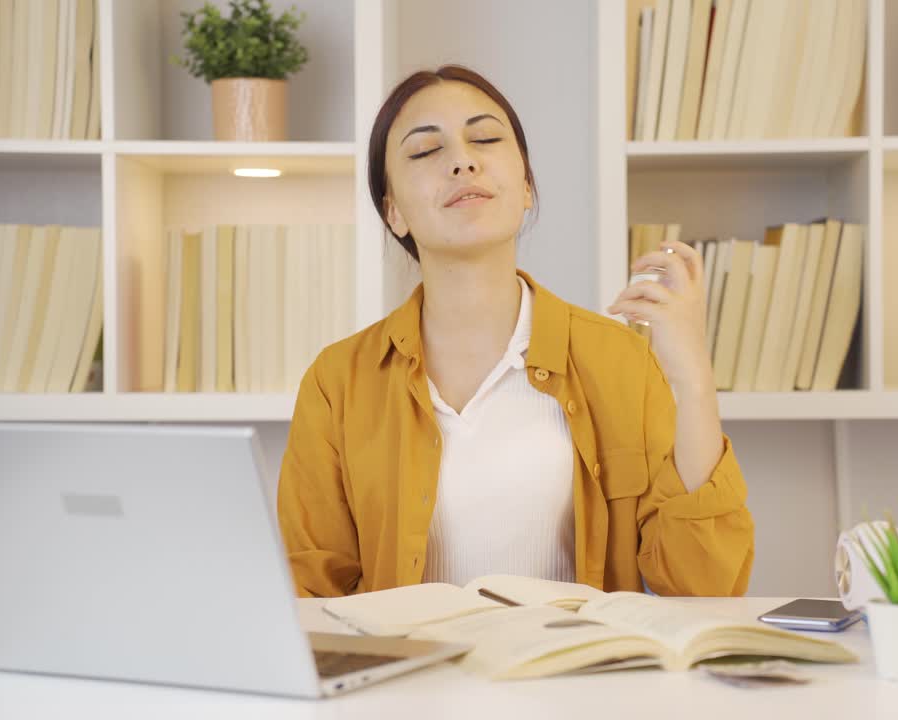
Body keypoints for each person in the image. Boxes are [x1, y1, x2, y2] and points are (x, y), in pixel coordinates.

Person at [278, 65, 753, 598]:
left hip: (575, 677)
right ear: (394, 213)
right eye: (424, 152)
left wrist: (691, 377)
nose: (463, 159)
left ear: (525, 186)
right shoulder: (337, 381)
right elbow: (311, 598)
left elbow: (704, 587)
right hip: (409, 680)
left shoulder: (618, 359)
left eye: (484, 138)